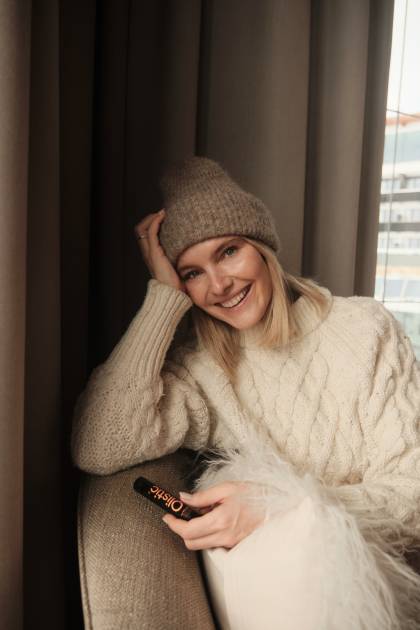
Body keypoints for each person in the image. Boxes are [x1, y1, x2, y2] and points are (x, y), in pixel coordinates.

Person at [71, 156, 420, 630]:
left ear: (262, 249)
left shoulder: (365, 328)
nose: (220, 285)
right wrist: (161, 299)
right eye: (191, 273)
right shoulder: (201, 370)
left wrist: (284, 506)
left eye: (229, 251)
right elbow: (97, 444)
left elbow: (412, 491)